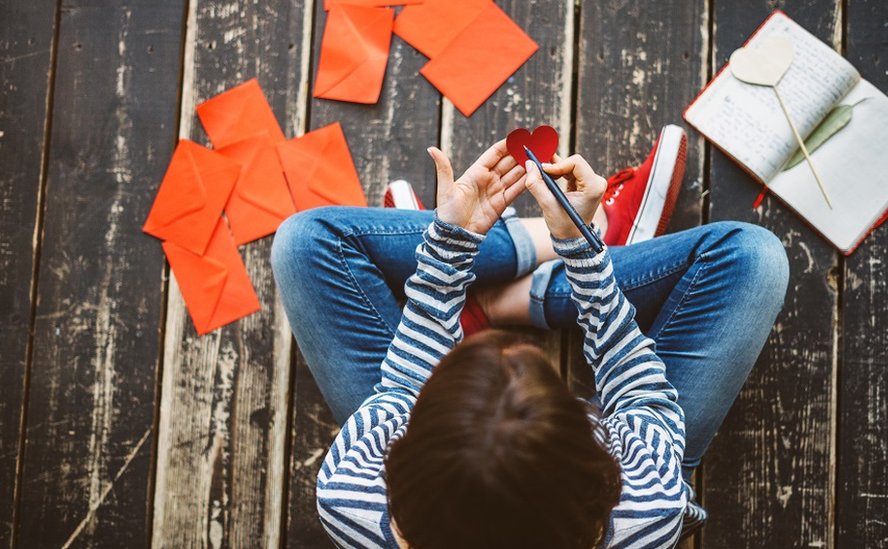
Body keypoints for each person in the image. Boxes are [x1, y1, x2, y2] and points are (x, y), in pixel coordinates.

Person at [271, 129, 789, 549]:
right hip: (635, 448)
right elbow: (639, 399)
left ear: (403, 456)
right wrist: (581, 248)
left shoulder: (351, 496)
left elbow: (401, 391)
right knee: (754, 256)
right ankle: (573, 246)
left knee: (303, 242)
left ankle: (500, 285)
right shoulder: (649, 506)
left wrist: (450, 247)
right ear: (594, 453)